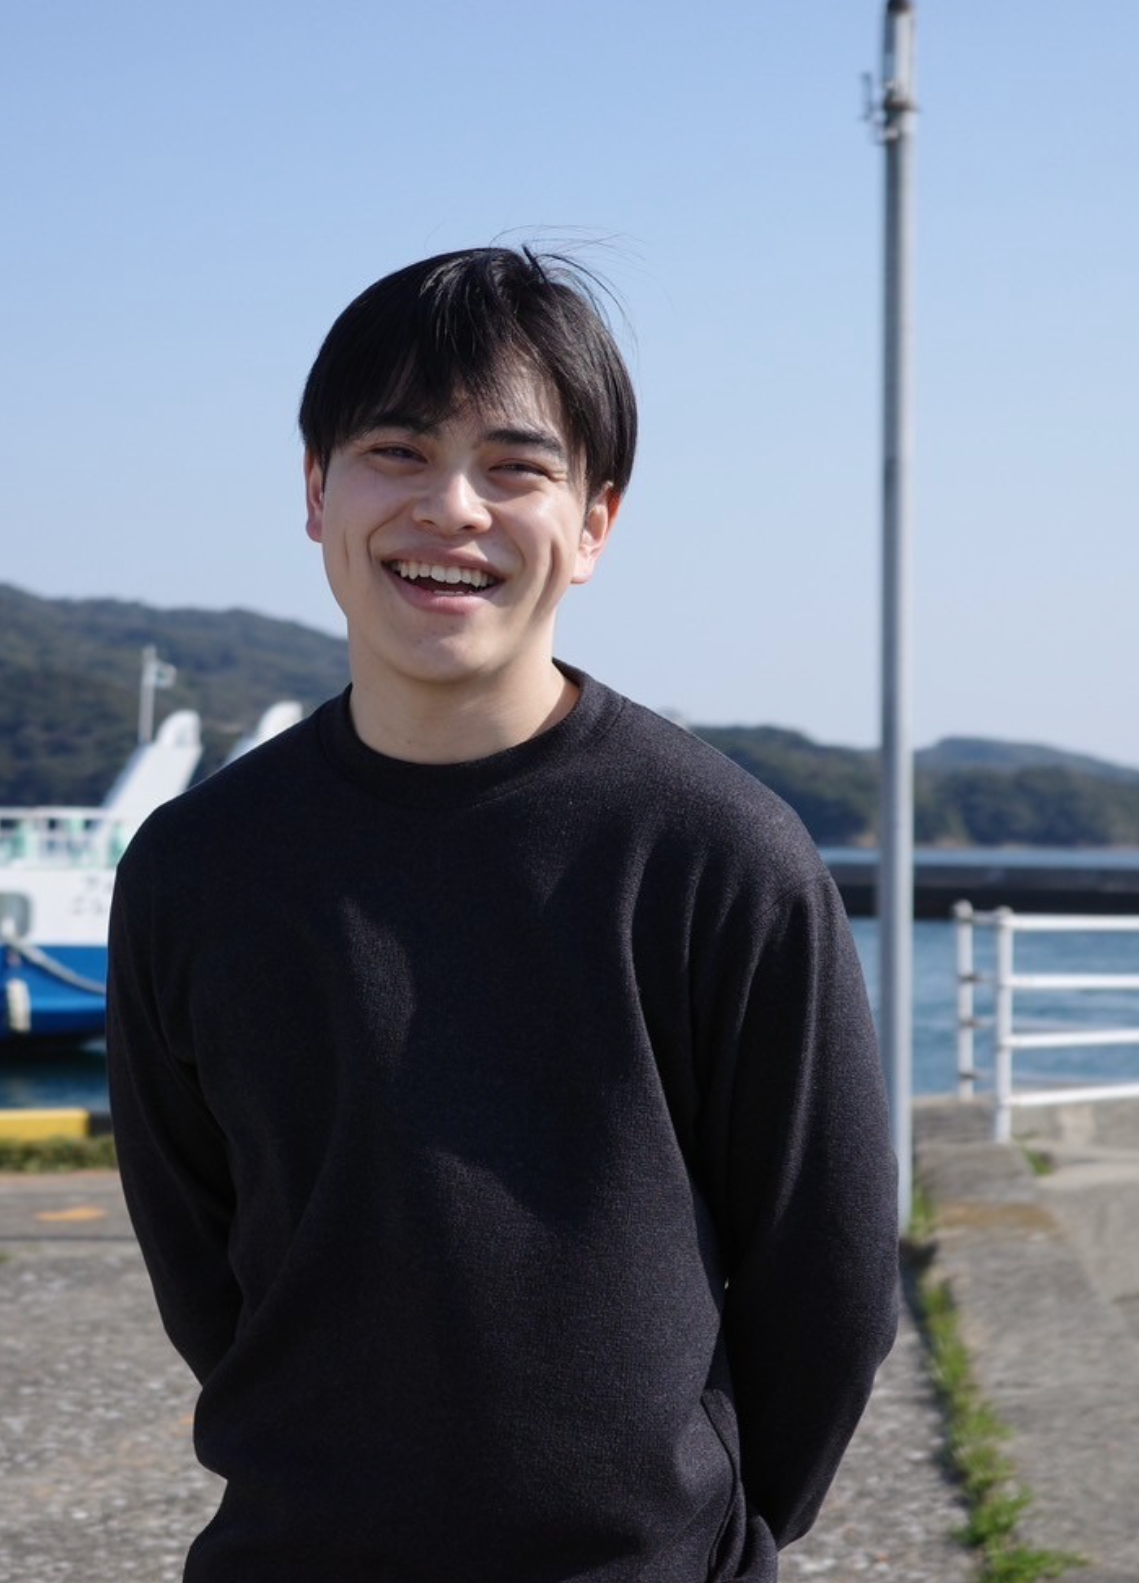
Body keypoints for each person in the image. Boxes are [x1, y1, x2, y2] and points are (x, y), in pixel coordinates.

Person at [107, 246, 901, 1582]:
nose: (451, 509)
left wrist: (695, 1528)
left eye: (516, 468)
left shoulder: (716, 854)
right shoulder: (196, 866)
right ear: (316, 490)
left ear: (594, 524)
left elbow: (826, 1276)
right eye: (397, 452)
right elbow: (200, 1260)